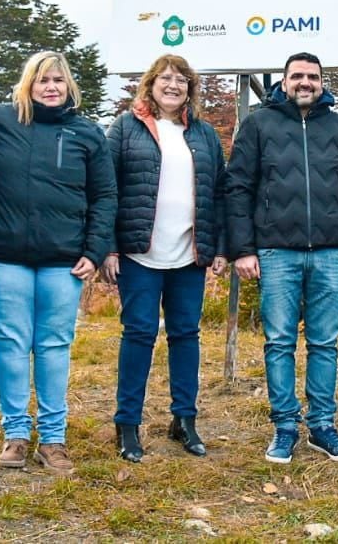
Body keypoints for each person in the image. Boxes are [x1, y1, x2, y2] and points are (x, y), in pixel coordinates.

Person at [226, 52, 338, 464]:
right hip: (275, 252)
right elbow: (237, 188)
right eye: (297, 76)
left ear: (322, 82)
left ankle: (322, 425)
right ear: (284, 82)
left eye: (313, 76)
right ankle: (285, 427)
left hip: (331, 252)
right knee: (279, 343)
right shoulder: (259, 124)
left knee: (325, 343)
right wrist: (243, 249)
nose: (305, 82)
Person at [0, 51, 116, 476]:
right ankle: (16, 433)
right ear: (28, 84)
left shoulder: (87, 133)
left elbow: (105, 197)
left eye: (58, 79)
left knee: (55, 347)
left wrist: (93, 251)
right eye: (42, 80)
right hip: (4, 258)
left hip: (64, 262)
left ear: (69, 85)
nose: (50, 87)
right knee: (10, 345)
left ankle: (53, 440)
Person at [102, 54, 227, 463]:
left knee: (185, 336)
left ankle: (184, 420)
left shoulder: (205, 135)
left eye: (182, 80)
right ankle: (127, 424)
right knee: (138, 335)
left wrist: (221, 246)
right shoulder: (125, 128)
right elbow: (105, 189)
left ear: (190, 89)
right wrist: (108, 247)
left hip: (188, 256)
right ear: (151, 84)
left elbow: (219, 194)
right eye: (166, 79)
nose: (173, 86)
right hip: (139, 254)